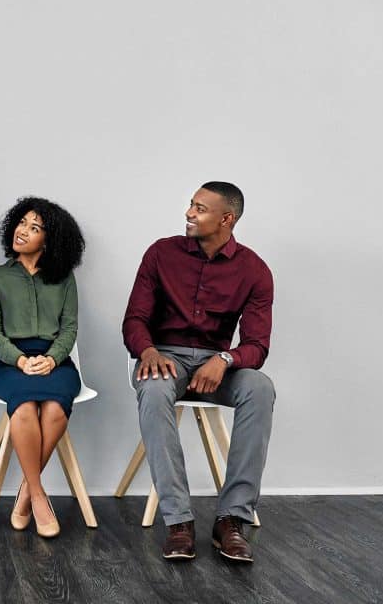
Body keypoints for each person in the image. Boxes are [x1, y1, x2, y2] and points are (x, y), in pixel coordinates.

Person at [122, 182, 275, 563]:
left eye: (200, 208)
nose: (189, 213)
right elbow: (134, 319)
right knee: (155, 388)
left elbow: (258, 345)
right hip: (164, 358)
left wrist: (224, 361)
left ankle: (231, 520)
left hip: (215, 365)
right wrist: (148, 351)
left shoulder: (254, 270)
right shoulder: (161, 253)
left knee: (259, 387)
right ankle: (178, 521)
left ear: (227, 219)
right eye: (191, 205)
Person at [0, 197, 85, 538]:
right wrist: (21, 360)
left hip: (56, 361)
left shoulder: (65, 279)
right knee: (24, 407)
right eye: (21, 223)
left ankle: (26, 491)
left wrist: (52, 358)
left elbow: (70, 328)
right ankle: (38, 496)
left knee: (55, 408)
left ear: (50, 240)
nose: (22, 231)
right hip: (9, 363)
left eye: (34, 227)